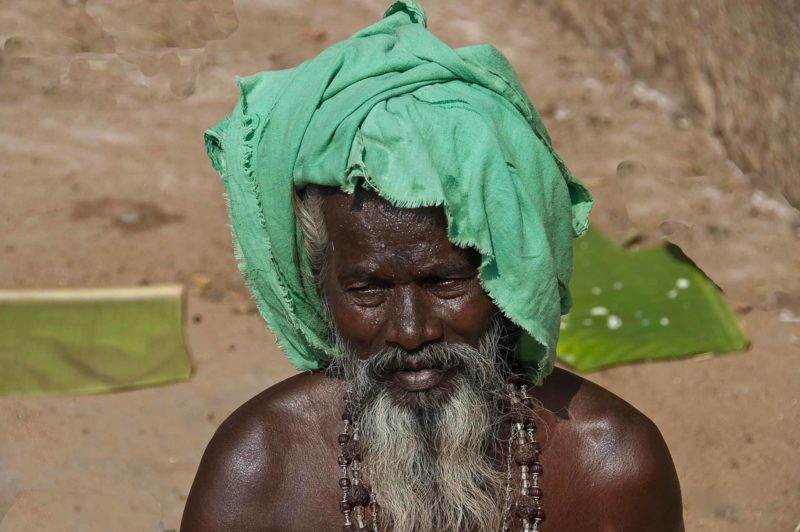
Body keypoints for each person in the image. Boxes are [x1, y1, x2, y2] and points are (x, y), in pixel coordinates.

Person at [181, 2, 683, 531]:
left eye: (444, 282)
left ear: (507, 278)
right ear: (320, 288)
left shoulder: (612, 465)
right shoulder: (259, 468)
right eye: (368, 289)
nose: (411, 331)